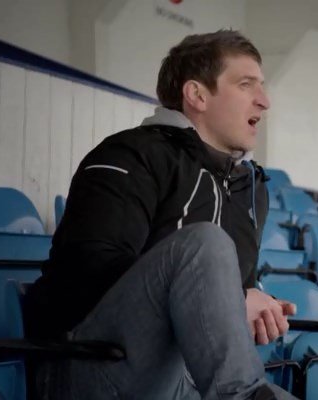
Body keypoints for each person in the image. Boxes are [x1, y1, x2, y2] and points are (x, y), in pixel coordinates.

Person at [24, 29, 297, 400]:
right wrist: (233, 299)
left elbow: (232, 297)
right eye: (246, 85)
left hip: (188, 380)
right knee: (205, 242)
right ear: (197, 95)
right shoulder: (129, 154)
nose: (264, 101)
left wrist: (252, 308)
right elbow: (86, 273)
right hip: (87, 366)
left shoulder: (249, 188)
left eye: (261, 87)